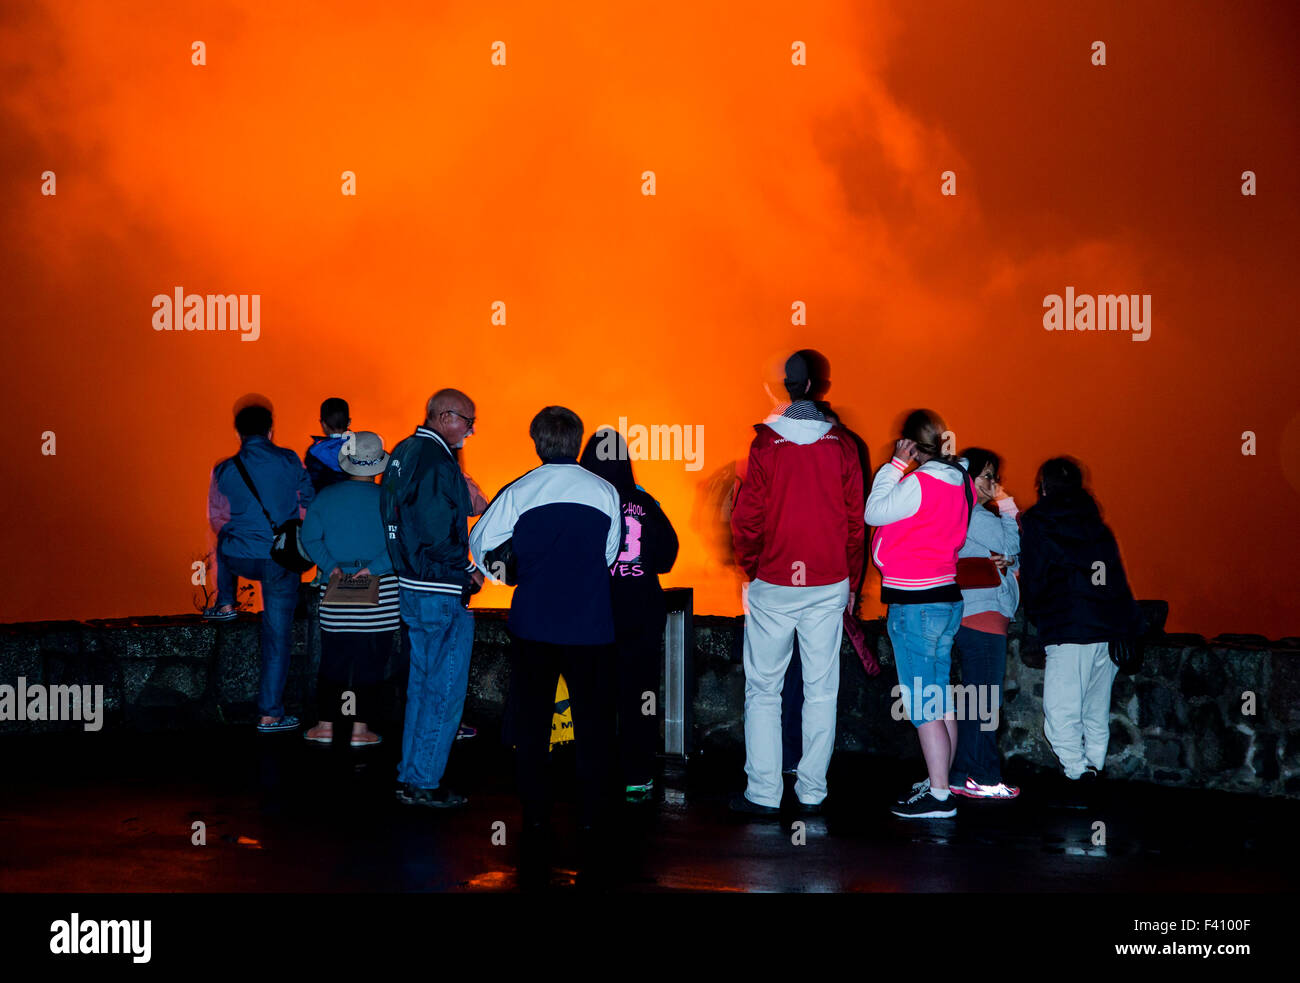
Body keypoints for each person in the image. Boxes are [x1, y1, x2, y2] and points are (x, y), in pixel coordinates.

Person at [469, 406, 621, 884]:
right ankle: (592, 816)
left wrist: (507, 574)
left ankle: (535, 815)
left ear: (537, 443)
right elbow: (610, 555)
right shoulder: (604, 491)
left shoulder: (521, 490)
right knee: (594, 726)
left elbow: (478, 542)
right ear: (577, 443)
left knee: (532, 725)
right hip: (591, 626)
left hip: (534, 623)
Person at [729, 353, 865, 815]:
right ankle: (812, 791)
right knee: (821, 689)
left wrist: (753, 567)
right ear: (820, 387)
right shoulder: (843, 446)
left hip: (775, 581)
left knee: (763, 689)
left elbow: (747, 519)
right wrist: (851, 583)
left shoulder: (766, 445)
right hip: (828, 582)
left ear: (788, 388)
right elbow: (854, 524)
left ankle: (764, 792)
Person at [866, 409, 972, 819]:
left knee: (923, 702)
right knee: (940, 694)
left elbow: (873, 512)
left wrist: (895, 464)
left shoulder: (919, 481)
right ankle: (940, 778)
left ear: (911, 443)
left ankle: (940, 796)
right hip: (947, 597)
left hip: (917, 602)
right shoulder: (961, 481)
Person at [381, 388, 482, 809]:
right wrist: (469, 571)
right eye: (468, 422)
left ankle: (410, 774)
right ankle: (424, 781)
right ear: (444, 416)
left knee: (421, 687)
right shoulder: (439, 463)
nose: (471, 432)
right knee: (443, 690)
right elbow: (440, 533)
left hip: (410, 584)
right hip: (439, 589)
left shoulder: (404, 451)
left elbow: (397, 518)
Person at [1019, 457, 1142, 785]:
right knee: (1094, 710)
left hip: (1068, 627)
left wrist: (1035, 614)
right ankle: (1094, 769)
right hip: (1108, 629)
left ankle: (1077, 774)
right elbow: (1116, 579)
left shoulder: (1038, 522)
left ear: (1044, 486)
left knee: (1060, 713)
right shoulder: (1097, 526)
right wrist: (1127, 626)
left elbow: (1034, 578)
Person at [579, 428, 680, 800]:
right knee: (640, 696)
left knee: (594, 697)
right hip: (640, 612)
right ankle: (637, 777)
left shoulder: (582, 499)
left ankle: (597, 776)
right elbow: (668, 556)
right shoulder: (644, 501)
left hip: (594, 615)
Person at [206, 400, 314, 732]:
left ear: (238, 433)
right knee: (277, 635)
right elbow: (308, 500)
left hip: (242, 559)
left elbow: (218, 520)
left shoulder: (225, 469)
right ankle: (270, 713)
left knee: (223, 541)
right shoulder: (288, 460)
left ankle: (226, 601)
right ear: (271, 429)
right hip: (281, 560)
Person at [300, 431, 396, 748]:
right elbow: (401, 545)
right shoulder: (390, 500)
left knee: (334, 661)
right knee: (370, 663)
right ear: (379, 466)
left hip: (337, 591)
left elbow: (310, 539)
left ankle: (326, 725)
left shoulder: (325, 497)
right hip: (381, 597)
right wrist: (373, 568)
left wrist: (333, 567)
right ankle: (359, 729)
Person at [948, 447, 1021, 799]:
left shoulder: (962, 514)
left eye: (997, 478)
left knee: (976, 702)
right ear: (970, 477)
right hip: (984, 618)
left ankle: (962, 775)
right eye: (988, 476)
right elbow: (1013, 541)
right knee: (985, 703)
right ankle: (986, 777)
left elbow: (1012, 554)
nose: (994, 483)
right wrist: (1006, 502)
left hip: (974, 616)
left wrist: (1007, 559)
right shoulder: (974, 514)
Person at [304, 397, 353, 493]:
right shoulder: (360, 447)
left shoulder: (315, 452)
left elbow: (309, 484)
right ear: (349, 422)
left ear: (323, 424)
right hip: (353, 502)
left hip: (323, 504)